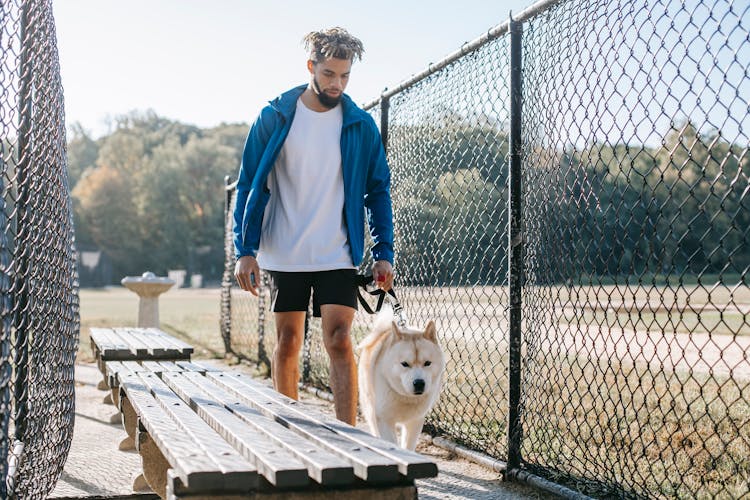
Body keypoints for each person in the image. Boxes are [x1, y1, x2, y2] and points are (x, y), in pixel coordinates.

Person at [232, 27, 394, 425]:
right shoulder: (274, 116)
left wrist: (383, 253)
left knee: (339, 340)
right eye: (328, 74)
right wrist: (244, 250)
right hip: (284, 249)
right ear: (311, 67)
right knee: (288, 343)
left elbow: (378, 190)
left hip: (337, 250)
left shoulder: (359, 124)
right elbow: (250, 181)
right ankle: (289, 430)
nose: (336, 84)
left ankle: (347, 438)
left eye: (344, 76)